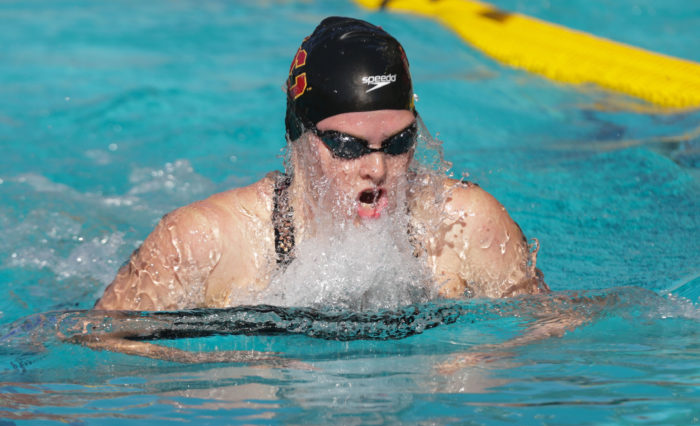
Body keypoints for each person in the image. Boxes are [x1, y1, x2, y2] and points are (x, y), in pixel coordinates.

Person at [95, 16, 547, 312]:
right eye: (348, 146)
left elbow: (547, 343)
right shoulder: (202, 243)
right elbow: (100, 354)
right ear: (298, 136)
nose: (377, 168)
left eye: (398, 142)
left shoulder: (467, 227)